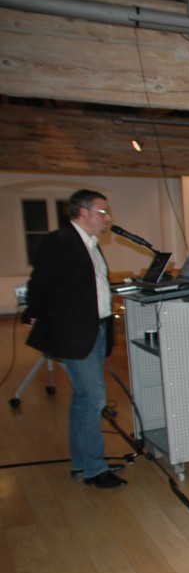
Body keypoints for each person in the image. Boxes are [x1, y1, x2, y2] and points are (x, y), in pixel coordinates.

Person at [23, 189, 125, 488]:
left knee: (84, 399)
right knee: (94, 399)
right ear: (84, 212)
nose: (108, 218)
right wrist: (33, 310)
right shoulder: (61, 241)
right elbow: (40, 282)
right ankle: (95, 468)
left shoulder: (90, 244)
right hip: (75, 333)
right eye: (103, 212)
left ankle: (83, 464)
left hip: (95, 328)